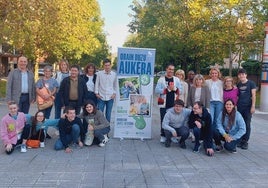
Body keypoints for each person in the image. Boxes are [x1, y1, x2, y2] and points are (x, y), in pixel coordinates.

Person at [155, 63, 182, 143]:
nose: (171, 71)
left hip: (174, 103)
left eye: (173, 70)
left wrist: (175, 88)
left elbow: (181, 90)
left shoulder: (176, 79)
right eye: (170, 69)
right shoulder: (161, 79)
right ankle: (163, 135)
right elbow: (156, 90)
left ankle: (172, 136)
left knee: (173, 121)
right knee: (163, 119)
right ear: (166, 69)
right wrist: (167, 89)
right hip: (163, 103)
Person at [237, 68, 256, 150]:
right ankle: (240, 140)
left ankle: (245, 141)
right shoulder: (239, 84)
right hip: (240, 106)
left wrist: (253, 106)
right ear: (238, 76)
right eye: (240, 74)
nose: (241, 75)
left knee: (247, 124)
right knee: (240, 124)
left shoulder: (251, 83)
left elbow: (254, 95)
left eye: (243, 74)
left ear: (246, 75)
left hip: (248, 107)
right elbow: (237, 96)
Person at [205, 67, 223, 132]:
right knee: (210, 119)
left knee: (217, 120)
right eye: (212, 73)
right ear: (210, 74)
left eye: (216, 73)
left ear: (218, 74)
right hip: (210, 103)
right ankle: (209, 135)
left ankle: (215, 136)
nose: (214, 75)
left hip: (219, 103)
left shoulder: (221, 82)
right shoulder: (207, 82)